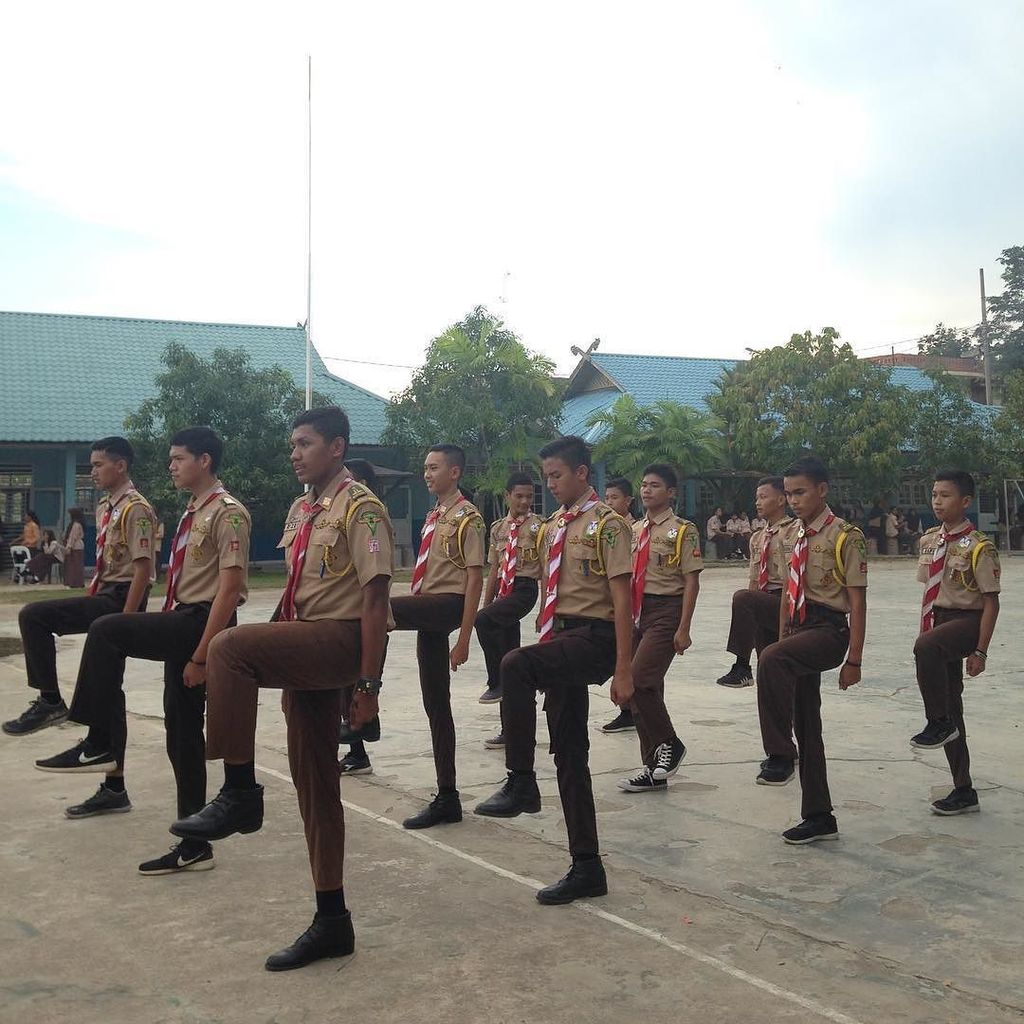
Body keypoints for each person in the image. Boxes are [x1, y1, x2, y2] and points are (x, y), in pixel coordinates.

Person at [169, 407, 392, 971]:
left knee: (227, 647)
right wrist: (278, 635)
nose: (294, 452)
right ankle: (332, 919)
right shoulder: (301, 510)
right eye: (292, 443)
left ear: (337, 447)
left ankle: (240, 791)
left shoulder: (361, 509)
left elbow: (374, 601)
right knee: (314, 783)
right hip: (306, 645)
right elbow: (295, 590)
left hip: (338, 642)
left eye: (305, 443)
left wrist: (368, 684)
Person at [35, 427, 251, 858]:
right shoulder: (194, 509)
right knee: (182, 732)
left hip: (203, 623)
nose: (170, 466)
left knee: (108, 629)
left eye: (178, 458)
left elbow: (229, 591)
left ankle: (98, 739)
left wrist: (202, 655)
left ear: (204, 460)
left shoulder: (227, 513)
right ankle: (194, 841)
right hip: (183, 617)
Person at [475, 435, 633, 905]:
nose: (549, 484)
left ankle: (521, 780)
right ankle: (587, 865)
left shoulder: (608, 525)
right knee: (569, 752)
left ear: (582, 473)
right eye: (546, 477)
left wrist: (624, 669)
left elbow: (624, 600)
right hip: (562, 637)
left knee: (515, 664)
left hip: (597, 637)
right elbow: (544, 590)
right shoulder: (548, 529)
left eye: (557, 475)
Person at [2, 438, 154, 736]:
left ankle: (50, 701)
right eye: (91, 465)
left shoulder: (136, 508)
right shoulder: (105, 506)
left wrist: (125, 619)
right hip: (104, 592)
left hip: (122, 598)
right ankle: (107, 764)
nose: (93, 472)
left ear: (120, 466)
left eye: (98, 465)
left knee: (34, 615)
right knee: (106, 679)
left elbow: (143, 569)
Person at [755, 455, 867, 844]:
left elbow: (858, 602)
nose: (794, 500)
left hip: (829, 629)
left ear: (822, 489)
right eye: (789, 494)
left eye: (800, 492)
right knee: (808, 725)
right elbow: (788, 589)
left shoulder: (844, 536)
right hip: (799, 628)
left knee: (770, 659)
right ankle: (819, 816)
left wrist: (854, 659)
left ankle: (780, 755)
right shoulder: (791, 537)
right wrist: (784, 632)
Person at [388, 444, 484, 829]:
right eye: (425, 468)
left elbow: (476, 577)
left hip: (448, 603)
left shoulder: (468, 518)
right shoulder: (434, 515)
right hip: (427, 608)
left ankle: (365, 689)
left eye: (434, 468)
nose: (427, 474)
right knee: (436, 705)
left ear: (455, 472)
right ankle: (448, 796)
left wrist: (463, 638)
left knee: (379, 609)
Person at [910, 471, 1000, 816]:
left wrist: (980, 650)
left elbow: (991, 601)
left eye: (945, 495)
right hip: (939, 623)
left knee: (926, 649)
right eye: (934, 494)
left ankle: (938, 721)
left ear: (965, 502)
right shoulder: (930, 540)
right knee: (952, 706)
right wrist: (927, 626)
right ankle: (964, 789)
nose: (937, 501)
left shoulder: (980, 546)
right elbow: (930, 591)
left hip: (967, 622)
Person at [617, 464, 701, 793]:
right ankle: (653, 768)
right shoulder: (634, 529)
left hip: (667, 610)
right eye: (644, 485)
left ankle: (670, 744)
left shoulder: (683, 530)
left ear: (671, 493)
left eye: (654, 485)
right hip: (637, 612)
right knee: (637, 692)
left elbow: (692, 580)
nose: (646, 490)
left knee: (639, 680)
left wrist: (684, 627)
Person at [474, 471, 542, 748]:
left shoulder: (540, 527)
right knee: (508, 657)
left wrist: (546, 609)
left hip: (524, 589)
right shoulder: (499, 528)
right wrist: (487, 604)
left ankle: (496, 682)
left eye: (530, 497)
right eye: (519, 496)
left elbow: (549, 567)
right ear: (508, 496)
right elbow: (494, 571)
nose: (525, 501)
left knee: (483, 622)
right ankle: (511, 730)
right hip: (503, 591)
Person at [716, 477, 795, 688]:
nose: (758, 502)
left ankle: (742, 666)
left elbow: (792, 576)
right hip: (762, 601)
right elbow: (753, 579)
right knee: (767, 668)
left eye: (763, 497)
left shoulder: (794, 530)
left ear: (781, 500)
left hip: (785, 600)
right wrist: (751, 607)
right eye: (756, 498)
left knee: (743, 598)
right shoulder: (757, 537)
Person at [338, 457, 384, 775]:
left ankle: (363, 735)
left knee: (358, 684)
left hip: (362, 615)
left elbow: (376, 585)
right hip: (342, 613)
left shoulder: (367, 515)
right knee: (344, 687)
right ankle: (358, 749)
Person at [63, 508, 86, 588]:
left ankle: (75, 583)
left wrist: (69, 547)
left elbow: (73, 537)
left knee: (74, 566)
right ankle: (78, 582)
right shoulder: (79, 524)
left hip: (76, 547)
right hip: (78, 546)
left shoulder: (76, 525)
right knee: (77, 565)